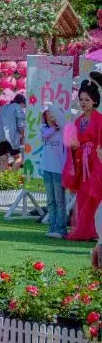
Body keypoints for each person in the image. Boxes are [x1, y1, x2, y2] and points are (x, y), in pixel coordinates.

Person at [64, 78, 102, 241]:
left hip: (96, 163)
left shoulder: (100, 119)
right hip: (82, 164)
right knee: (83, 196)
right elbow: (74, 141)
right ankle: (84, 230)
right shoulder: (78, 120)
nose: (83, 103)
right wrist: (74, 146)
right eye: (81, 99)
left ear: (95, 101)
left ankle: (95, 231)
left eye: (87, 99)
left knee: (95, 195)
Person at [40, 105, 68, 239]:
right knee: (50, 201)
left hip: (59, 170)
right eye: (48, 113)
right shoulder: (43, 129)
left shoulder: (63, 130)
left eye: (53, 113)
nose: (50, 116)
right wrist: (54, 128)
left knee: (59, 201)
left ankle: (61, 229)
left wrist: (59, 125)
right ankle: (52, 227)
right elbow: (45, 136)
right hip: (47, 168)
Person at [0, 94, 27, 171]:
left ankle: (4, 178)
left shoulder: (2, 108)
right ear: (21, 103)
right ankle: (12, 177)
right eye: (24, 106)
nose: (24, 108)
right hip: (10, 136)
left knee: (3, 159)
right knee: (18, 158)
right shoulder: (18, 109)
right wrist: (23, 135)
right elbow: (20, 126)